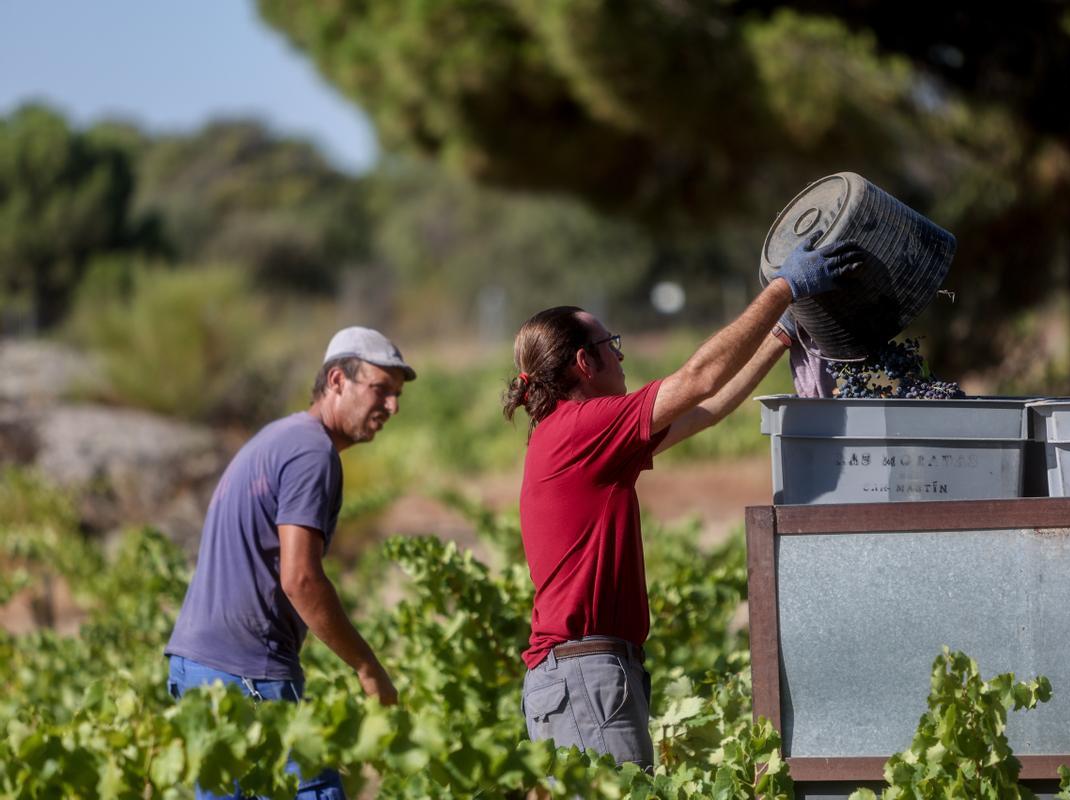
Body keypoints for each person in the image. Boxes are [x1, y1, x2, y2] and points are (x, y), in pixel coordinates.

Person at [501, 233, 863, 769]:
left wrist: (781, 337)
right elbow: (698, 379)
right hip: (583, 677)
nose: (620, 355)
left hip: (587, 676)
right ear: (584, 362)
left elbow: (708, 409)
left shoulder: (579, 436)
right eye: (610, 345)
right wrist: (785, 288)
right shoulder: (580, 428)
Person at [164, 326, 415, 800]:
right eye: (380, 390)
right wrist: (367, 667)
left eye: (397, 395)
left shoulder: (278, 437)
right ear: (337, 380)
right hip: (244, 672)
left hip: (197, 665)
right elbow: (301, 578)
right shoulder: (312, 453)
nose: (392, 407)